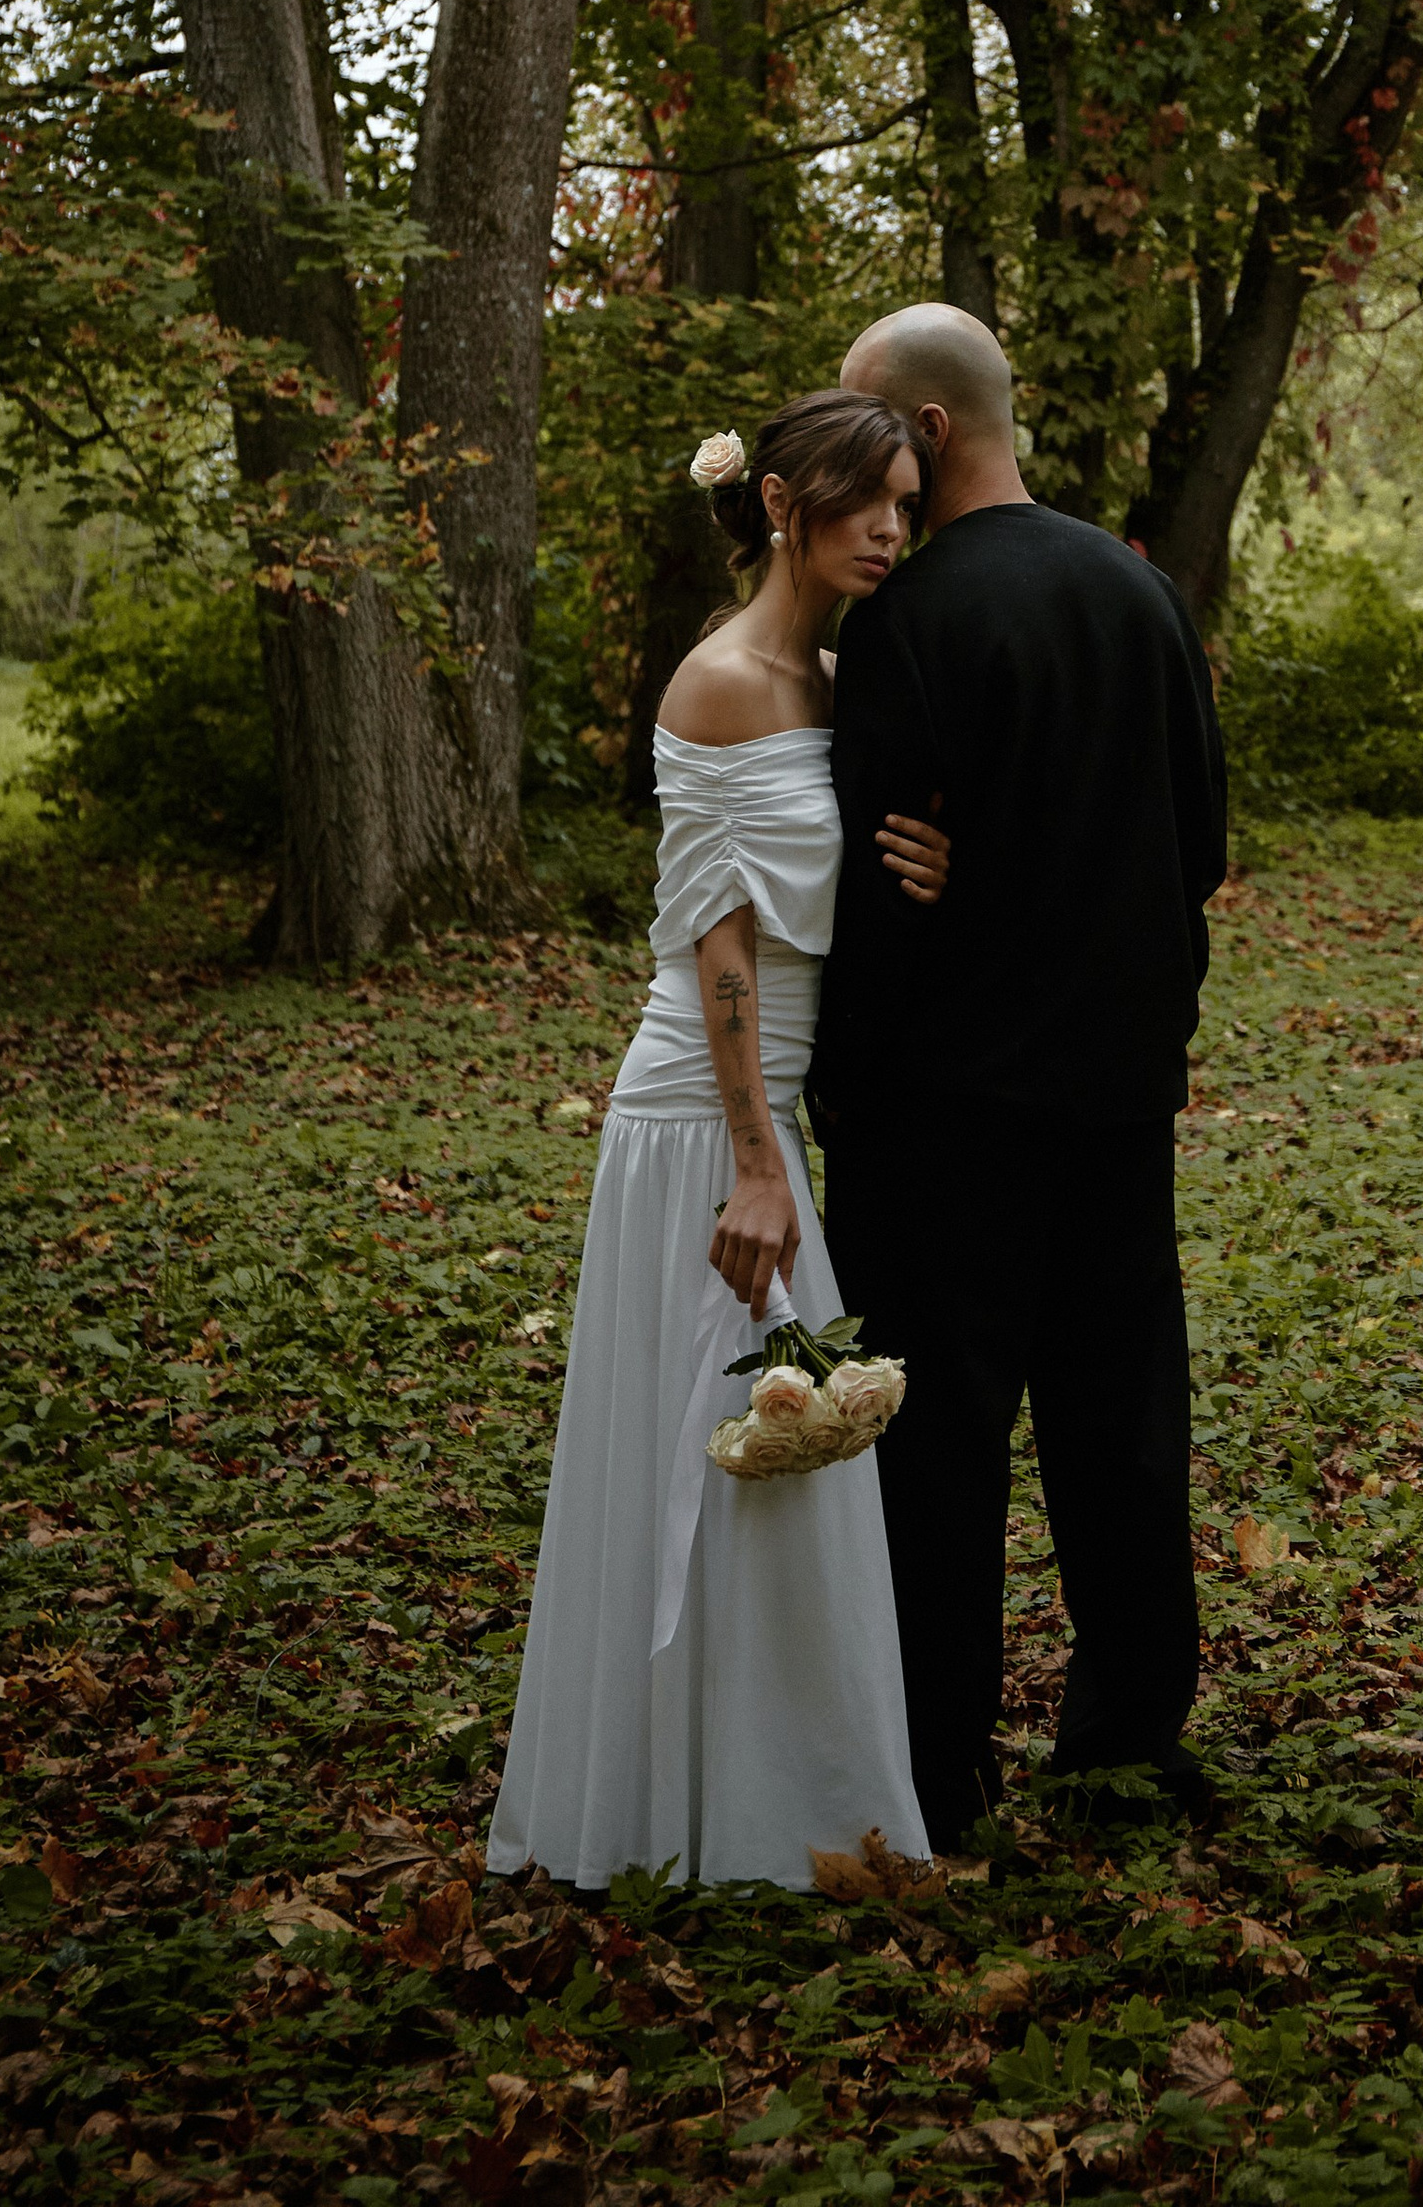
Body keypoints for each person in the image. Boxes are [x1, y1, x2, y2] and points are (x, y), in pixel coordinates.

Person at [488, 389, 952, 1892]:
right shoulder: (725, 683)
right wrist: (757, 1162)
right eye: (864, 502)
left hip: (773, 1120)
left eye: (906, 502)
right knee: (754, 1457)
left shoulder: (826, 677)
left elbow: (832, 886)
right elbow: (721, 940)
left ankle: (779, 1813)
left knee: (780, 1466)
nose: (891, 529)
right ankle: (717, 1826)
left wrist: (924, 862)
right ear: (778, 504)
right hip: (704, 1120)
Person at [809, 304, 1229, 1851]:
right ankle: (1127, 1750)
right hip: (1120, 1099)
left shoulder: (912, 624)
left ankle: (939, 1768)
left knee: (938, 1442)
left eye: (869, 431)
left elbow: (872, 896)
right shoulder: (1144, 594)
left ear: (921, 433)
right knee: (1122, 1426)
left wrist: (841, 1089)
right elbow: (1201, 853)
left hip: (947, 1114)